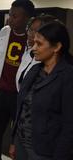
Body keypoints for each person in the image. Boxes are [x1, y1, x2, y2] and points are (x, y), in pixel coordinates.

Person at [11, 21, 73, 160]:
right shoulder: (34, 70)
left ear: (56, 47)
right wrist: (14, 140)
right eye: (34, 43)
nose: (33, 48)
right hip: (22, 143)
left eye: (39, 44)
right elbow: (21, 108)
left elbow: (69, 125)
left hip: (45, 151)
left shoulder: (67, 77)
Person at [0, 1, 35, 160]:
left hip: (19, 95)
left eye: (15, 16)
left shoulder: (33, 39)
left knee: (18, 135)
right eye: (10, 14)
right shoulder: (4, 31)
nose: (10, 19)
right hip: (2, 91)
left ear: (27, 18)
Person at [15, 14, 57, 91]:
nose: (30, 34)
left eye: (36, 31)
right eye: (30, 29)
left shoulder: (59, 69)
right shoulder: (29, 51)